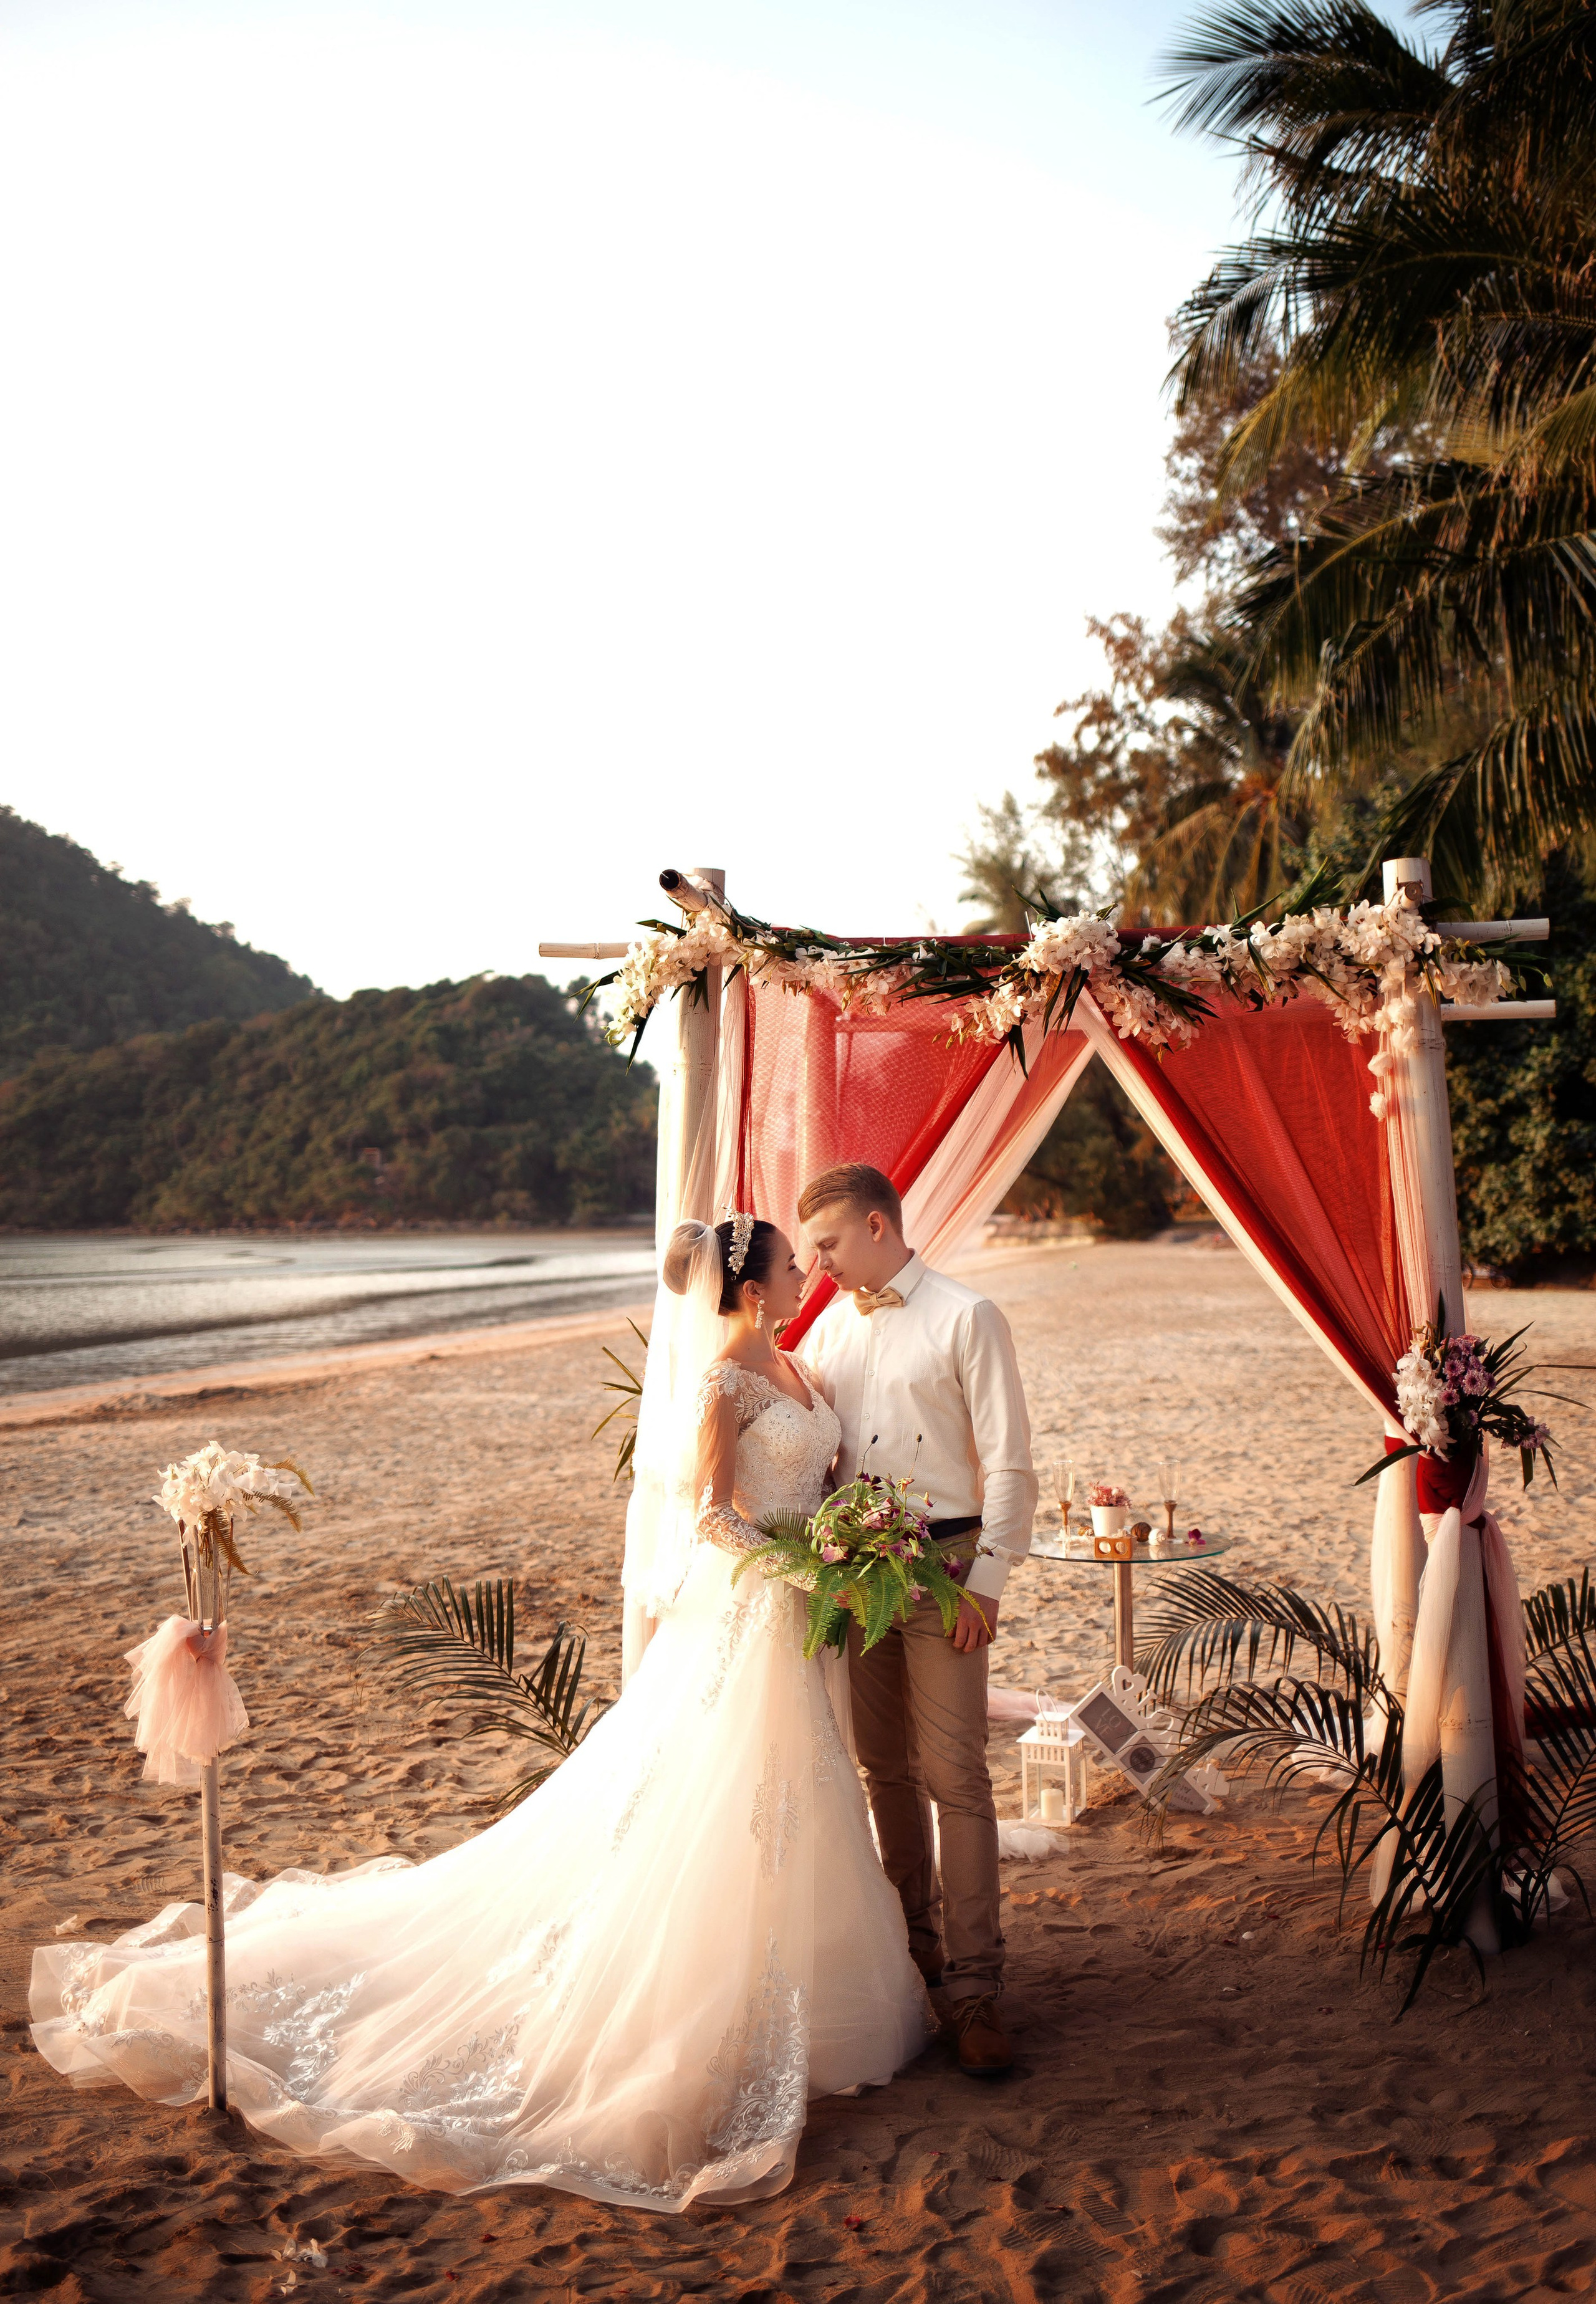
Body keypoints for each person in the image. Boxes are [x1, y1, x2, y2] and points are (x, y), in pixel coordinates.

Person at [29, 1217, 931, 2211]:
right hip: (753, 1608)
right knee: (727, 1797)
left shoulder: (802, 1369)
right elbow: (710, 1514)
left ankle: (809, 2001)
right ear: (754, 1288)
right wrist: (801, 1557)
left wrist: (846, 1544)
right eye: (792, 1262)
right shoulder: (724, 1381)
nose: (808, 1269)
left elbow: (819, 1483)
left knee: (797, 1796)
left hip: (796, 1616)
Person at [797, 1163, 1037, 2077]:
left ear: (875, 1225)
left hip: (945, 1572)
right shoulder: (827, 1329)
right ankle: (916, 1949)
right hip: (855, 1579)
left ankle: (977, 1988)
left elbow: (1011, 1462)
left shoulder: (968, 1316)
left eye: (827, 1244)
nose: (817, 1264)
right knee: (881, 1770)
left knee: (957, 1773)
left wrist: (987, 1582)